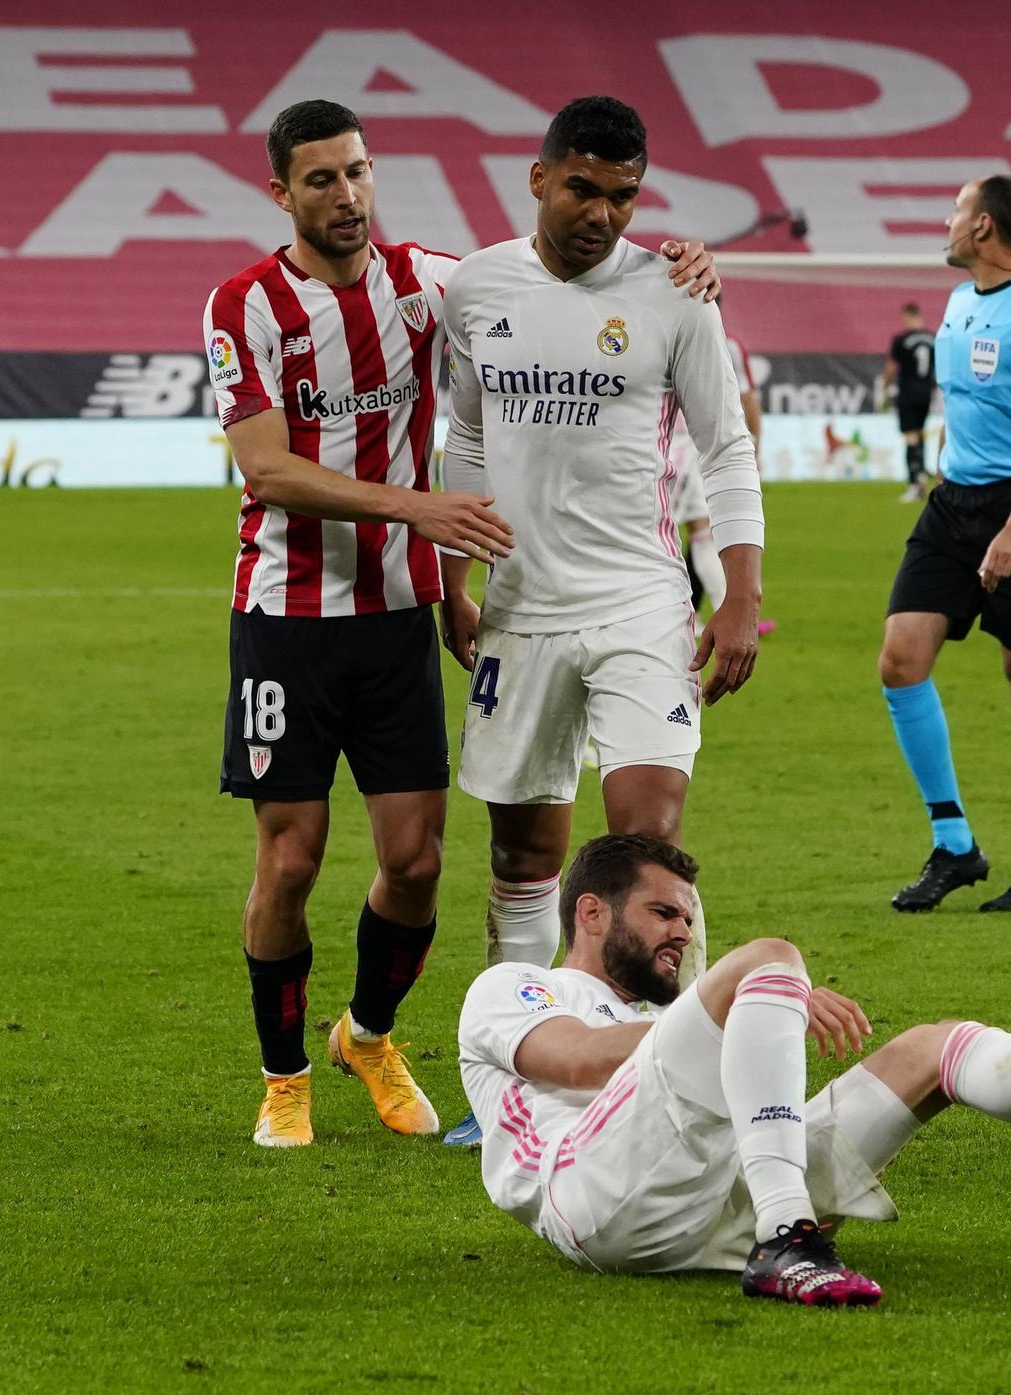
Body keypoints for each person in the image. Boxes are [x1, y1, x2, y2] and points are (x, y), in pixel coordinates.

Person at [205, 99, 718, 1148]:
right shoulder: (244, 303)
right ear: (281, 194)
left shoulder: (435, 283)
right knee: (290, 863)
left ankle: (373, 1035)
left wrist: (685, 265)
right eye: (320, 180)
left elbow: (545, 285)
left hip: (397, 617)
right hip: (284, 616)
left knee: (416, 863)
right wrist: (420, 512)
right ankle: (283, 1075)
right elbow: (263, 468)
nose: (345, 196)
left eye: (357, 174)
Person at [457, 834, 1011, 1306]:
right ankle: (789, 1238)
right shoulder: (518, 986)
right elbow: (571, 1061)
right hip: (592, 1195)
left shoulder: (663, 1021)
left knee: (931, 1050)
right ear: (593, 912)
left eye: (687, 914)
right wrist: (750, 995)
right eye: (662, 912)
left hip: (702, 1206)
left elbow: (724, 1068)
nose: (682, 931)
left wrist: (753, 1009)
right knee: (772, 952)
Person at [437, 96, 764, 1142]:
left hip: (640, 602)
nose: (602, 213)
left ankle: (682, 1072)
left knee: (647, 846)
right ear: (537, 179)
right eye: (582, 188)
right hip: (524, 610)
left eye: (622, 195)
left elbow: (725, 449)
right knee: (526, 856)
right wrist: (454, 578)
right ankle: (510, 1087)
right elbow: (468, 438)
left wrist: (740, 594)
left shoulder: (674, 293)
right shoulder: (476, 287)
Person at [878, 175, 1011, 915]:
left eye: (958, 209)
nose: (947, 219)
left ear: (984, 227)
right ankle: (956, 845)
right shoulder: (959, 299)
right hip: (955, 500)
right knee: (900, 661)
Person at [669, 332, 772, 632]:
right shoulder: (727, 344)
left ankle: (716, 612)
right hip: (691, 447)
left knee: (697, 529)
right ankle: (723, 613)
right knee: (691, 530)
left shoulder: (653, 318)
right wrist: (755, 444)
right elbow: (746, 397)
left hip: (665, 445)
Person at [880, 303, 937, 501]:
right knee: (920, 434)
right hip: (926, 393)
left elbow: (891, 368)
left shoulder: (901, 340)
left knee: (910, 436)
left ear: (910, 316)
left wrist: (885, 389)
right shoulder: (932, 338)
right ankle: (922, 475)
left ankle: (915, 482)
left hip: (907, 392)